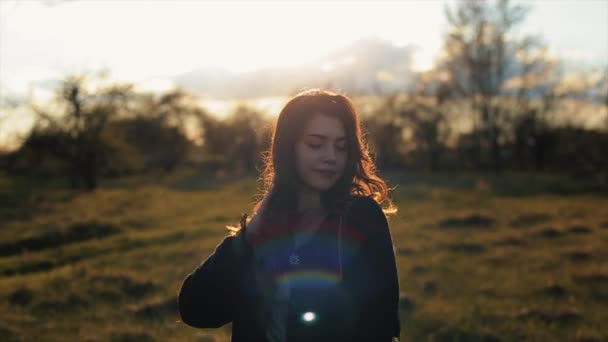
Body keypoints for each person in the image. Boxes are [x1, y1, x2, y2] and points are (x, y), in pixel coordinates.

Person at [178, 89, 401, 341]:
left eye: (341, 147)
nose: (331, 157)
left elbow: (380, 325)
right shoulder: (264, 227)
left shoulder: (361, 217)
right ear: (288, 148)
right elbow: (196, 311)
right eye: (316, 144)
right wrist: (249, 234)